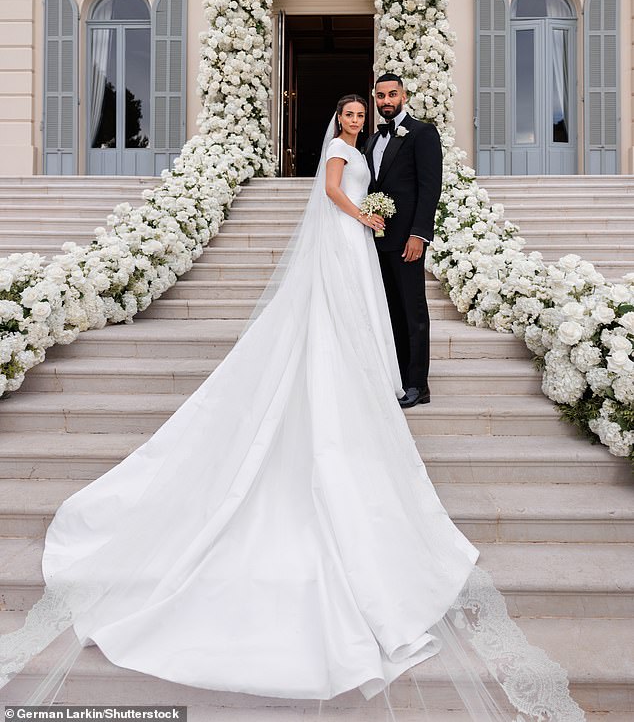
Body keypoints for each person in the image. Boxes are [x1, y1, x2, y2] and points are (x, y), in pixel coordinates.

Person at [0, 96, 583, 722]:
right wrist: (366, 215)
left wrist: (380, 221)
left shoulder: (370, 146)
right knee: (332, 316)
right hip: (344, 236)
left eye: (365, 114)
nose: (359, 121)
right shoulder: (339, 152)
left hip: (359, 240)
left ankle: (365, 376)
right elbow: (333, 192)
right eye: (352, 114)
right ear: (339, 119)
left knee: (362, 316)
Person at [366, 74, 443, 409]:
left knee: (413, 312)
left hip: (407, 240)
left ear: (404, 95)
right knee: (391, 312)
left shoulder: (422, 133)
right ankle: (397, 378)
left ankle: (418, 385)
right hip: (377, 240)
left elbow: (430, 188)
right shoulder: (371, 140)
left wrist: (419, 235)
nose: (386, 100)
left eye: (392, 94)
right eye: (381, 95)